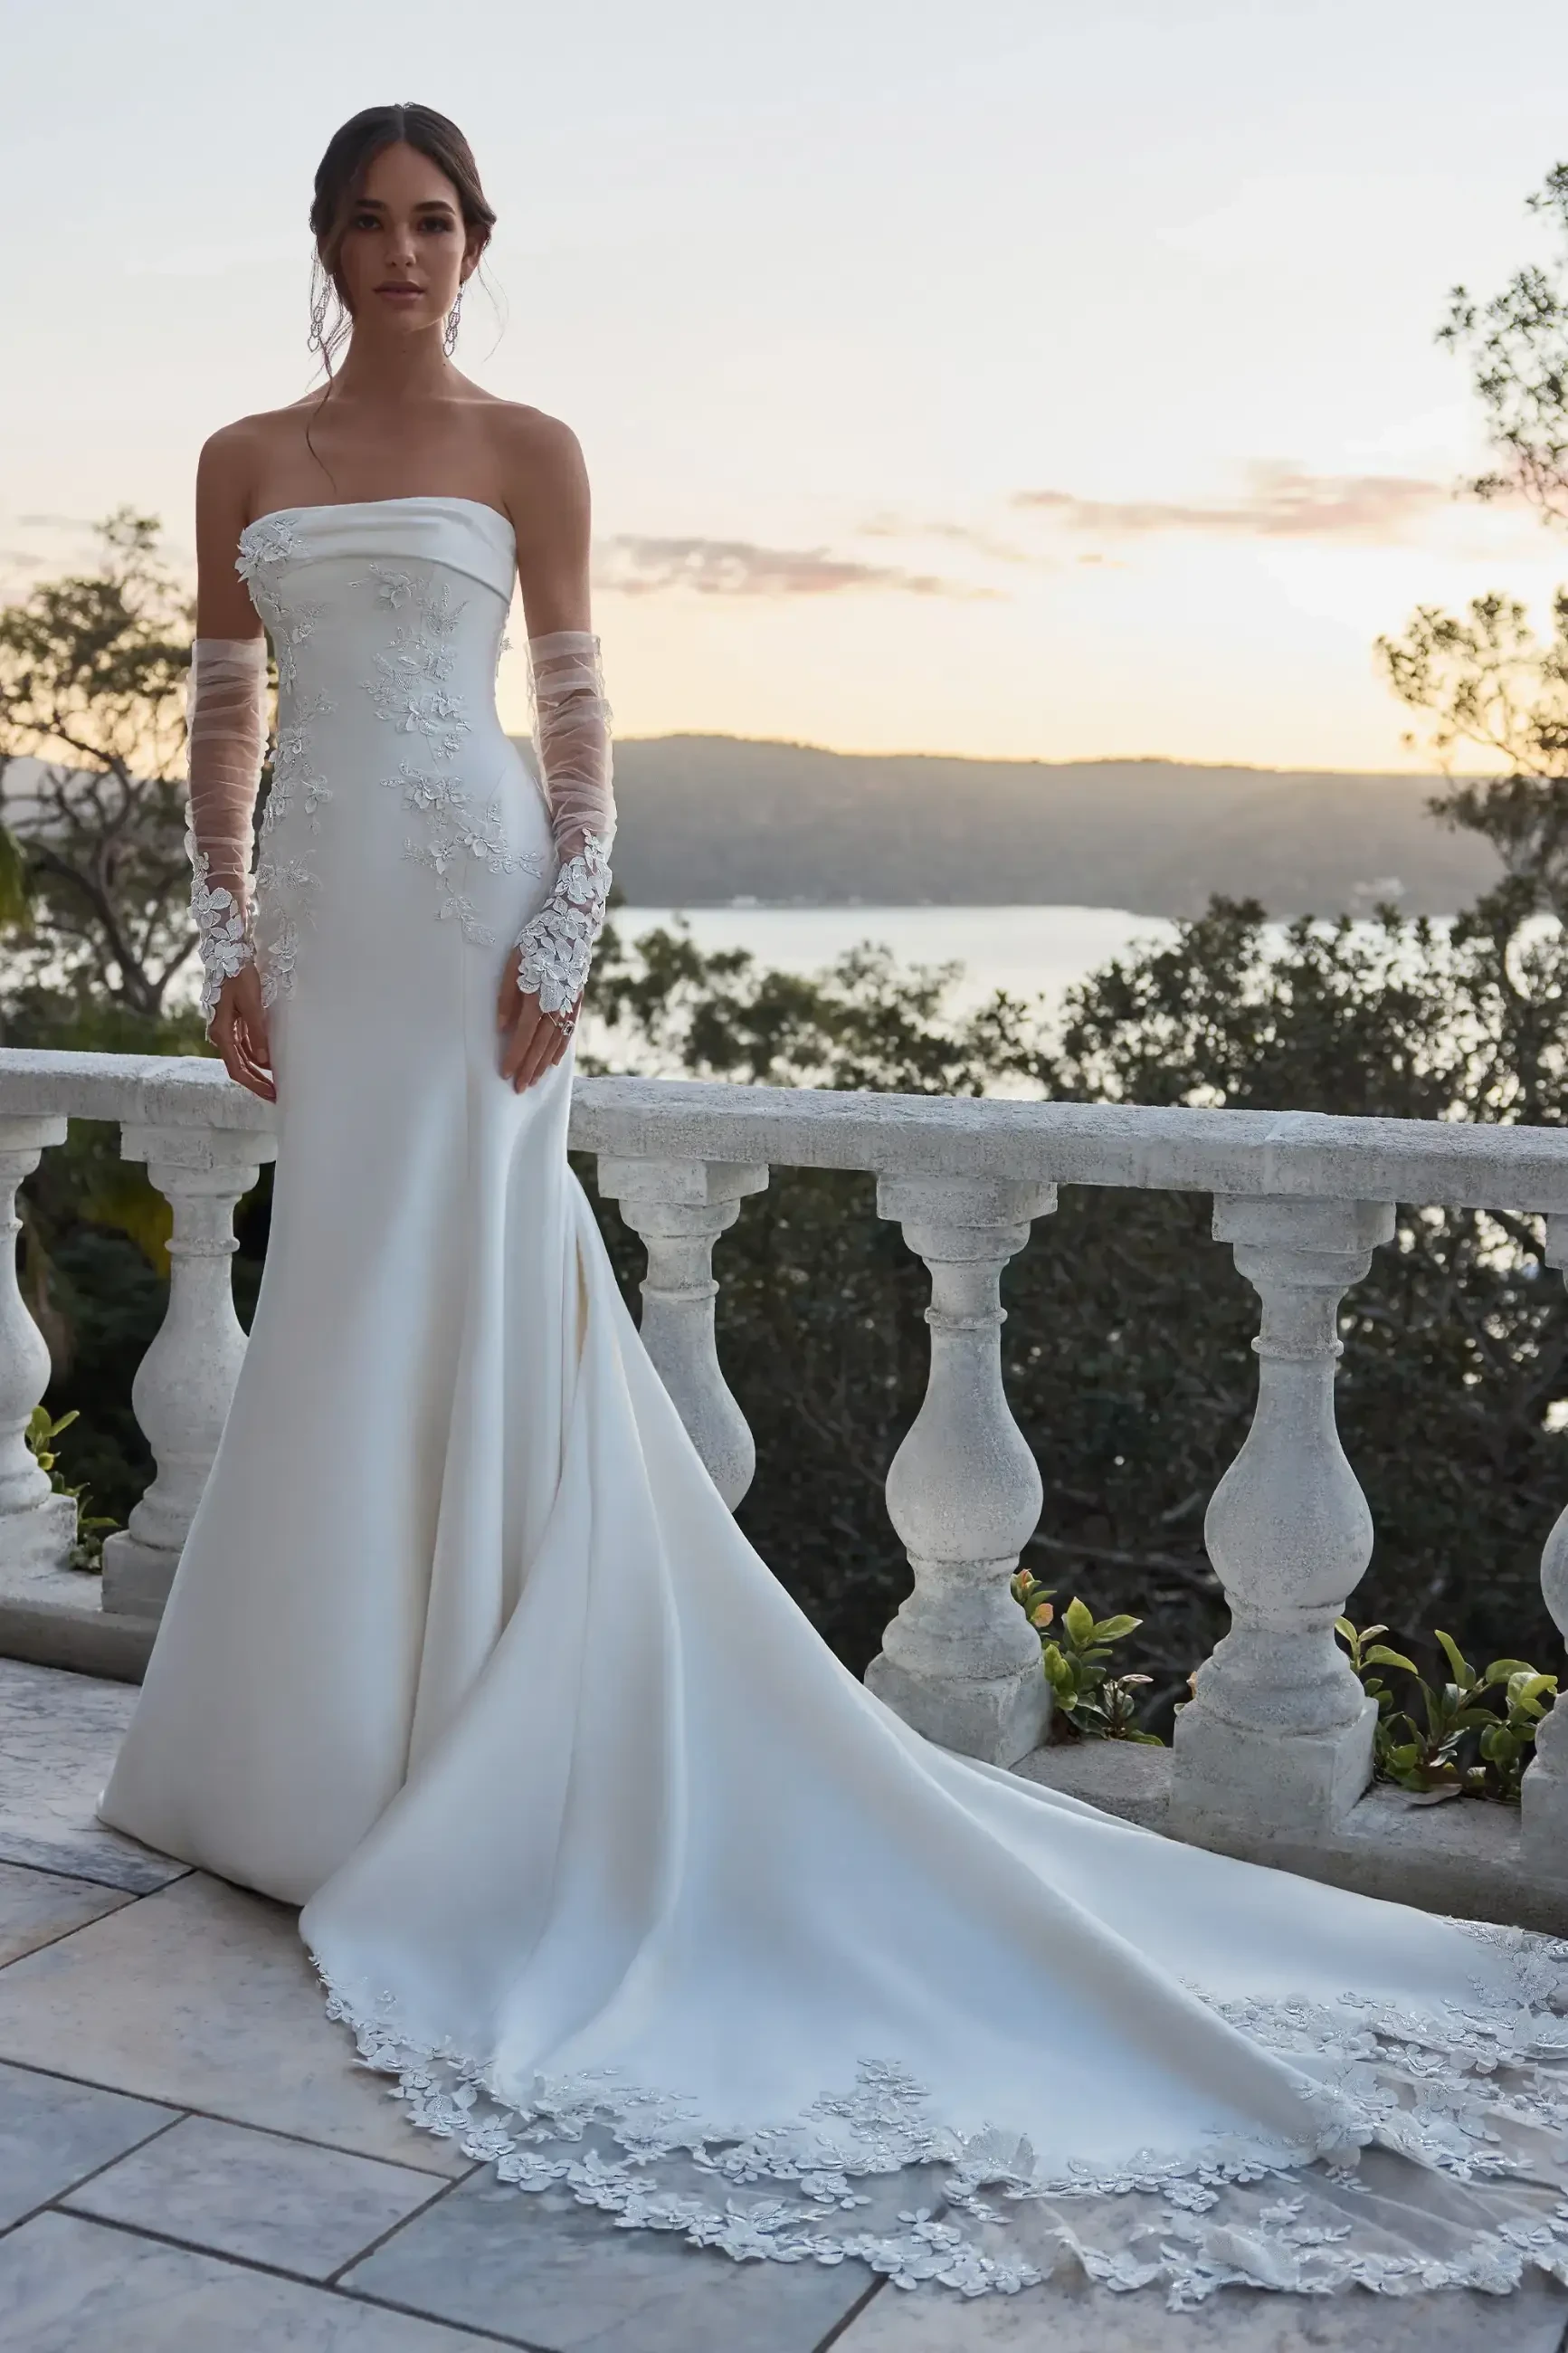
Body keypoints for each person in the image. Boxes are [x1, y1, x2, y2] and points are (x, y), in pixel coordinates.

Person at [99, 102, 1568, 2309]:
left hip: (476, 900)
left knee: (465, 1282)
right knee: (339, 1294)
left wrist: (571, 913)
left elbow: (579, 704)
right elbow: (223, 706)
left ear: (474, 245)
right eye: (366, 223)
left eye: (433, 221)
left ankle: (458, 1749)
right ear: (323, 243)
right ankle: (301, 1759)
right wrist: (222, 930)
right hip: (321, 908)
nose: (401, 252)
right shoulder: (240, 455)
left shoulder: (531, 447)